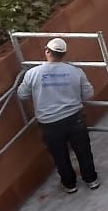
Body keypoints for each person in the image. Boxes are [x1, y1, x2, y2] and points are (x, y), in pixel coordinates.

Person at [16, 37, 98, 193]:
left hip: (49, 123)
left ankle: (70, 185)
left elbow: (22, 94)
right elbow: (88, 94)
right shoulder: (75, 71)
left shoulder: (32, 73)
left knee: (60, 156)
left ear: (47, 51)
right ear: (64, 54)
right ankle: (91, 180)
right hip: (75, 118)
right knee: (83, 151)